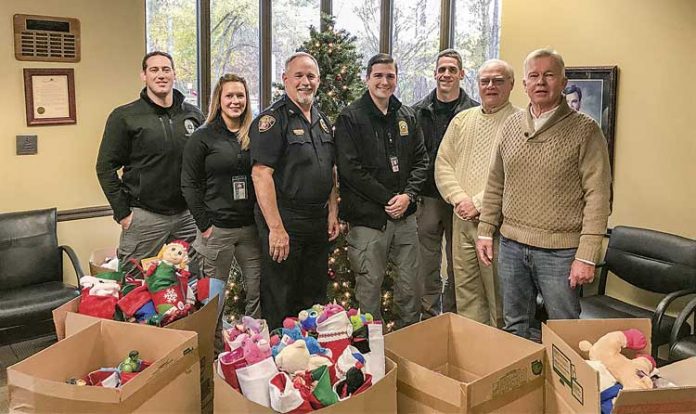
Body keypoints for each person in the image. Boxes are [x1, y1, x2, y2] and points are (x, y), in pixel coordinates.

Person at [475, 49, 612, 340]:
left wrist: (587, 255)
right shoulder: (511, 126)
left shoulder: (585, 130)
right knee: (514, 327)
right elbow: (495, 182)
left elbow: (598, 197)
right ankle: (523, 385)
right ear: (524, 84)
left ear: (563, 82)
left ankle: (566, 386)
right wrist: (486, 230)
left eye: (549, 75)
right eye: (534, 76)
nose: (541, 82)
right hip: (511, 246)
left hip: (560, 252)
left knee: (565, 332)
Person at [335, 53, 429, 329]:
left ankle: (409, 348)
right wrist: (389, 199)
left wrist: (408, 196)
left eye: (390, 76)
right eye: (378, 75)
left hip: (406, 219)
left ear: (396, 80)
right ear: (367, 79)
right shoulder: (350, 118)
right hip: (369, 222)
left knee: (410, 288)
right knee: (369, 290)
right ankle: (372, 355)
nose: (384, 81)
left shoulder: (407, 115)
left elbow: (422, 161)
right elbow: (350, 170)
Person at [249, 52, 339, 330]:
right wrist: (275, 228)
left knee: (313, 298)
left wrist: (333, 211)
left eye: (311, 76)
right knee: (281, 296)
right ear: (285, 79)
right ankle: (278, 362)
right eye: (298, 75)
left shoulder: (322, 120)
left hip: (316, 221)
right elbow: (261, 174)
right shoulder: (273, 121)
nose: (305, 82)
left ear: (319, 81)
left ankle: (309, 359)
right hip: (285, 220)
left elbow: (331, 170)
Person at [96, 51, 204, 277]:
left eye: (166, 69)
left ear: (174, 74)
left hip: (187, 216)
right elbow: (105, 167)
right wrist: (123, 213)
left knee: (191, 283)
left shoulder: (193, 115)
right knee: (135, 286)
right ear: (143, 76)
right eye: (154, 70)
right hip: (144, 217)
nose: (161, 75)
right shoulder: (125, 116)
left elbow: (205, 163)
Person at [435, 59, 520, 327]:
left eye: (498, 80)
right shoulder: (462, 120)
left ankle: (499, 361)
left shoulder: (520, 122)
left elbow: (517, 176)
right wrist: (460, 199)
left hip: (496, 224)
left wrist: (478, 203)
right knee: (466, 294)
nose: (491, 86)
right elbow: (443, 164)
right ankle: (474, 355)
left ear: (511, 85)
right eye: (485, 81)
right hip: (461, 220)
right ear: (478, 84)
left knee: (499, 298)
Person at [181, 74, 262, 351]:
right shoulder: (203, 137)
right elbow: (188, 184)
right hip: (216, 230)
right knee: (213, 299)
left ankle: (254, 348)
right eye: (230, 96)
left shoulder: (255, 133)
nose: (235, 101)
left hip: (251, 228)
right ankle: (213, 353)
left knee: (257, 291)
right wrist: (204, 224)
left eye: (240, 96)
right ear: (219, 99)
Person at [412, 49, 478, 319]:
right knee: (426, 264)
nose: (446, 74)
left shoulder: (474, 113)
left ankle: (453, 317)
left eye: (452, 70)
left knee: (458, 264)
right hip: (427, 198)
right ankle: (428, 317)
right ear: (435, 74)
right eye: (442, 70)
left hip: (461, 201)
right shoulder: (417, 112)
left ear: (461, 74)